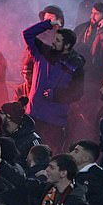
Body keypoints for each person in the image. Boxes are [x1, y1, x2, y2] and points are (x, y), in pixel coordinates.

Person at [23, 18, 85, 151]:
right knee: (27, 151)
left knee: (49, 153)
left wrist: (54, 95)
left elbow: (77, 92)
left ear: (67, 45)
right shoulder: (42, 53)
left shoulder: (75, 65)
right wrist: (48, 24)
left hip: (54, 120)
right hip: (33, 113)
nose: (53, 42)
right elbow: (27, 34)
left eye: (57, 40)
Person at [70, 140, 103, 205]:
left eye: (76, 152)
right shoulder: (74, 173)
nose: (71, 154)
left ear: (86, 158)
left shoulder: (96, 175)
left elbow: (95, 202)